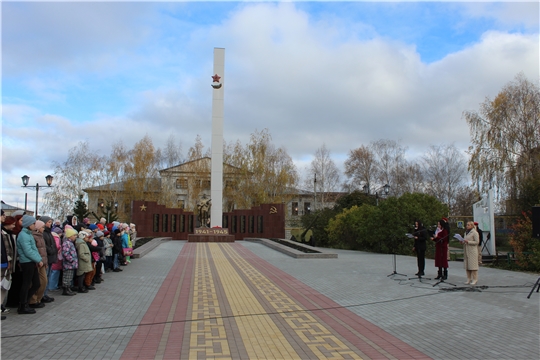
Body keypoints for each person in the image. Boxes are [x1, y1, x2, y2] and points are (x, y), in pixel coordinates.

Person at [16, 215, 43, 314]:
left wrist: (38, 259)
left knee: (36, 283)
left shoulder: (28, 234)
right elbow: (28, 251)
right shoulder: (23, 235)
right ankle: (22, 305)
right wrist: (38, 260)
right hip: (26, 262)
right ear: (28, 224)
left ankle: (25, 302)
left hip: (32, 261)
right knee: (26, 284)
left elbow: (34, 249)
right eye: (33, 224)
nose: (34, 225)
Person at [28, 220, 49, 308]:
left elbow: (44, 251)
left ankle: (38, 298)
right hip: (37, 262)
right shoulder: (33, 236)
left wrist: (45, 262)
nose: (43, 229)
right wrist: (38, 260)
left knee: (44, 281)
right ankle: (32, 300)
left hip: (42, 262)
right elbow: (34, 250)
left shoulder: (41, 236)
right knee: (35, 283)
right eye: (42, 227)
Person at [1, 216, 17, 320]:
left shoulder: (9, 234)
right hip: (4, 262)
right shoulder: (3, 234)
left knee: (5, 285)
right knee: (2, 284)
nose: (14, 226)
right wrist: (9, 260)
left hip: (7, 263)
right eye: (13, 224)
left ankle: (1, 305)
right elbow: (6, 249)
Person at [40, 216, 57, 302]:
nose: (50, 224)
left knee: (48, 276)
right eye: (49, 222)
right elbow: (44, 246)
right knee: (44, 277)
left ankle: (45, 294)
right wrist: (51, 250)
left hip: (50, 257)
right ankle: (42, 295)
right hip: (46, 257)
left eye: (51, 222)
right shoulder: (43, 233)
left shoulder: (49, 232)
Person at [61, 228, 78, 296]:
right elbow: (65, 253)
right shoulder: (67, 243)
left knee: (70, 277)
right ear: (70, 236)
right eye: (74, 235)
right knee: (67, 277)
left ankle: (68, 288)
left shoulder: (70, 243)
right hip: (68, 264)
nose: (75, 237)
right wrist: (71, 259)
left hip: (72, 264)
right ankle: (65, 289)